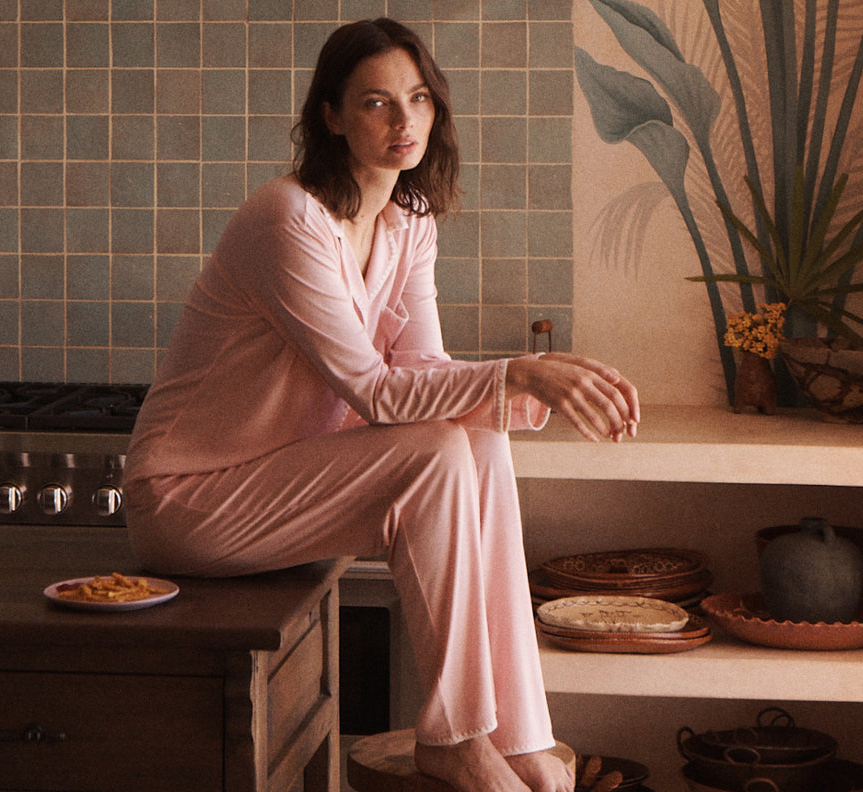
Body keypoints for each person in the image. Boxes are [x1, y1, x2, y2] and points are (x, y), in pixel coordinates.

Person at [123, 18, 640, 792]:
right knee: (439, 448)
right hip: (189, 498)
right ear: (331, 115)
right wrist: (527, 373)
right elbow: (372, 389)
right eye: (376, 103)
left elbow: (424, 370)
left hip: (283, 479)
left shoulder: (408, 221)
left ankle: (518, 731)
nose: (404, 123)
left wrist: (524, 385)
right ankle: (456, 738)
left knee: (479, 438)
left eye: (419, 99)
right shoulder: (287, 218)